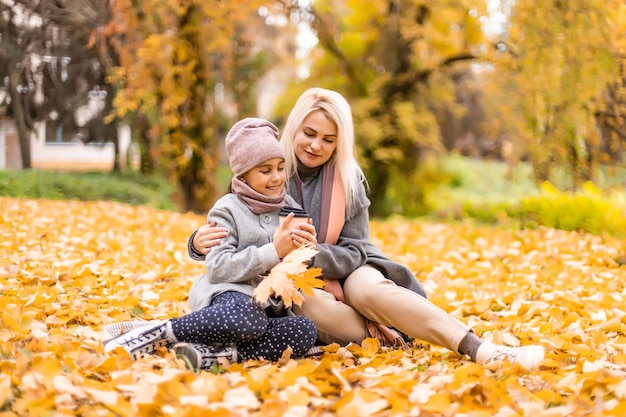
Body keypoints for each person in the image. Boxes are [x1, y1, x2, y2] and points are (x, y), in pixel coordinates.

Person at [187, 88, 545, 369]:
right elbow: (231, 216)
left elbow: (356, 250)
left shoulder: (348, 179)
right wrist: (197, 243)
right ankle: (392, 329)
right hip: (297, 284)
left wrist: (305, 254)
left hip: (349, 266)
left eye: (329, 140)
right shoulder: (268, 168)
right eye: (309, 133)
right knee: (311, 308)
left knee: (370, 293)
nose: (316, 145)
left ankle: (478, 348)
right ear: (294, 128)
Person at [103, 118, 318, 369]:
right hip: (228, 297)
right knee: (248, 319)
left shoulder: (291, 208)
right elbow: (218, 267)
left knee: (304, 330)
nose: (277, 178)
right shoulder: (227, 208)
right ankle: (158, 332)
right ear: (244, 173)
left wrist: (305, 253)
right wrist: (274, 250)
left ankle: (207, 355)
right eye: (265, 170)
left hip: (269, 307)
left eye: (281, 168)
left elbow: (297, 270)